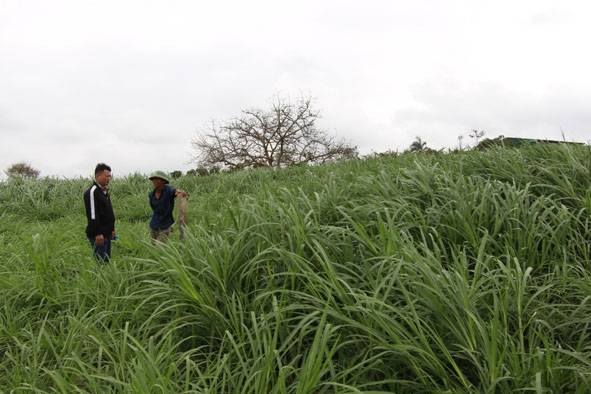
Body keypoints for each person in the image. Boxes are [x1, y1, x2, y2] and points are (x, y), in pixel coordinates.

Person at [83, 163, 116, 263]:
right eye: (107, 176)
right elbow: (93, 215)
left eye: (110, 176)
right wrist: (97, 233)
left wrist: (112, 230)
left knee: (106, 260)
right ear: (98, 176)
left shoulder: (104, 192)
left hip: (106, 233)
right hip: (99, 235)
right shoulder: (93, 192)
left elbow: (107, 213)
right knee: (101, 262)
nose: (109, 179)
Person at [148, 170, 187, 242]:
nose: (155, 181)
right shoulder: (151, 195)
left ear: (163, 181)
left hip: (165, 225)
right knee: (152, 247)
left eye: (157, 179)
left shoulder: (168, 190)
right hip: (153, 224)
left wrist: (180, 192)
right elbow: (154, 209)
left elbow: (174, 191)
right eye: (154, 179)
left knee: (160, 248)